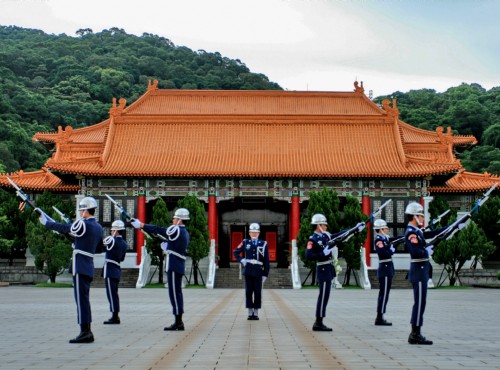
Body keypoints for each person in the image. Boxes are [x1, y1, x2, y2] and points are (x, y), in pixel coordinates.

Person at [37, 197, 103, 343]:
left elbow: (67, 228)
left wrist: (47, 223)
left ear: (85, 210)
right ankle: (87, 331)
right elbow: (98, 248)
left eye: (81, 210)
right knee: (84, 299)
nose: (79, 212)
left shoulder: (83, 224)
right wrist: (77, 244)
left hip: (80, 265)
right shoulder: (98, 227)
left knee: (81, 300)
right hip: (88, 264)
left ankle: (85, 332)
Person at [131, 208, 190, 331]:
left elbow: (159, 230)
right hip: (177, 264)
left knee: (174, 293)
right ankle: (178, 320)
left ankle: (178, 322)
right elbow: (166, 238)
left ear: (179, 220)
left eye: (174, 218)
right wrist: (167, 244)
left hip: (174, 265)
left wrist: (141, 225)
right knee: (176, 292)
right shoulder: (182, 232)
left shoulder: (177, 230)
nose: (172, 220)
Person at [305, 214, 365, 332]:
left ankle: (320, 321)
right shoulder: (313, 239)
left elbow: (340, 235)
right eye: (324, 225)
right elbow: (308, 255)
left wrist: (354, 229)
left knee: (325, 296)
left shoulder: (326, 236)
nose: (326, 227)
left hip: (328, 268)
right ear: (318, 226)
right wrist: (323, 253)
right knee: (323, 296)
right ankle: (318, 322)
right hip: (322, 269)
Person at [404, 202, 447, 345]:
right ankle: (415, 333)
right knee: (420, 303)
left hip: (421, 270)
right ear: (414, 217)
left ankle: (416, 333)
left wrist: (451, 228)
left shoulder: (417, 232)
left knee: (421, 303)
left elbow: (433, 233)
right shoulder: (411, 233)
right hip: (419, 270)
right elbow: (416, 252)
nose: (423, 219)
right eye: (421, 216)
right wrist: (427, 251)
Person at [233, 223, 270, 320]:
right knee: (248, 292)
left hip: (258, 271)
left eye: (256, 232)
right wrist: (242, 260)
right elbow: (235, 252)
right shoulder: (245, 242)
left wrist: (265, 273)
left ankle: (256, 312)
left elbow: (266, 260)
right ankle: (250, 312)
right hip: (248, 270)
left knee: (257, 292)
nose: (254, 234)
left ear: (259, 233)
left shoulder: (263, 243)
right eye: (252, 232)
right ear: (249, 233)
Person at [101, 220, 128, 324]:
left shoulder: (111, 240)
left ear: (116, 231)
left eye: (112, 230)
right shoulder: (124, 244)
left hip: (110, 269)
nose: (111, 232)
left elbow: (101, 247)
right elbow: (122, 259)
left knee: (111, 294)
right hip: (117, 269)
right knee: (114, 294)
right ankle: (115, 315)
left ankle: (115, 316)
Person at [373, 219, 395, 326]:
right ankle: (379, 317)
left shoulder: (385, 239)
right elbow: (384, 254)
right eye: (385, 228)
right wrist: (391, 250)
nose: (387, 230)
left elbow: (395, 240)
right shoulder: (379, 241)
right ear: (381, 229)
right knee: (383, 294)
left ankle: (380, 316)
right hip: (385, 270)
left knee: (385, 294)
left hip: (387, 269)